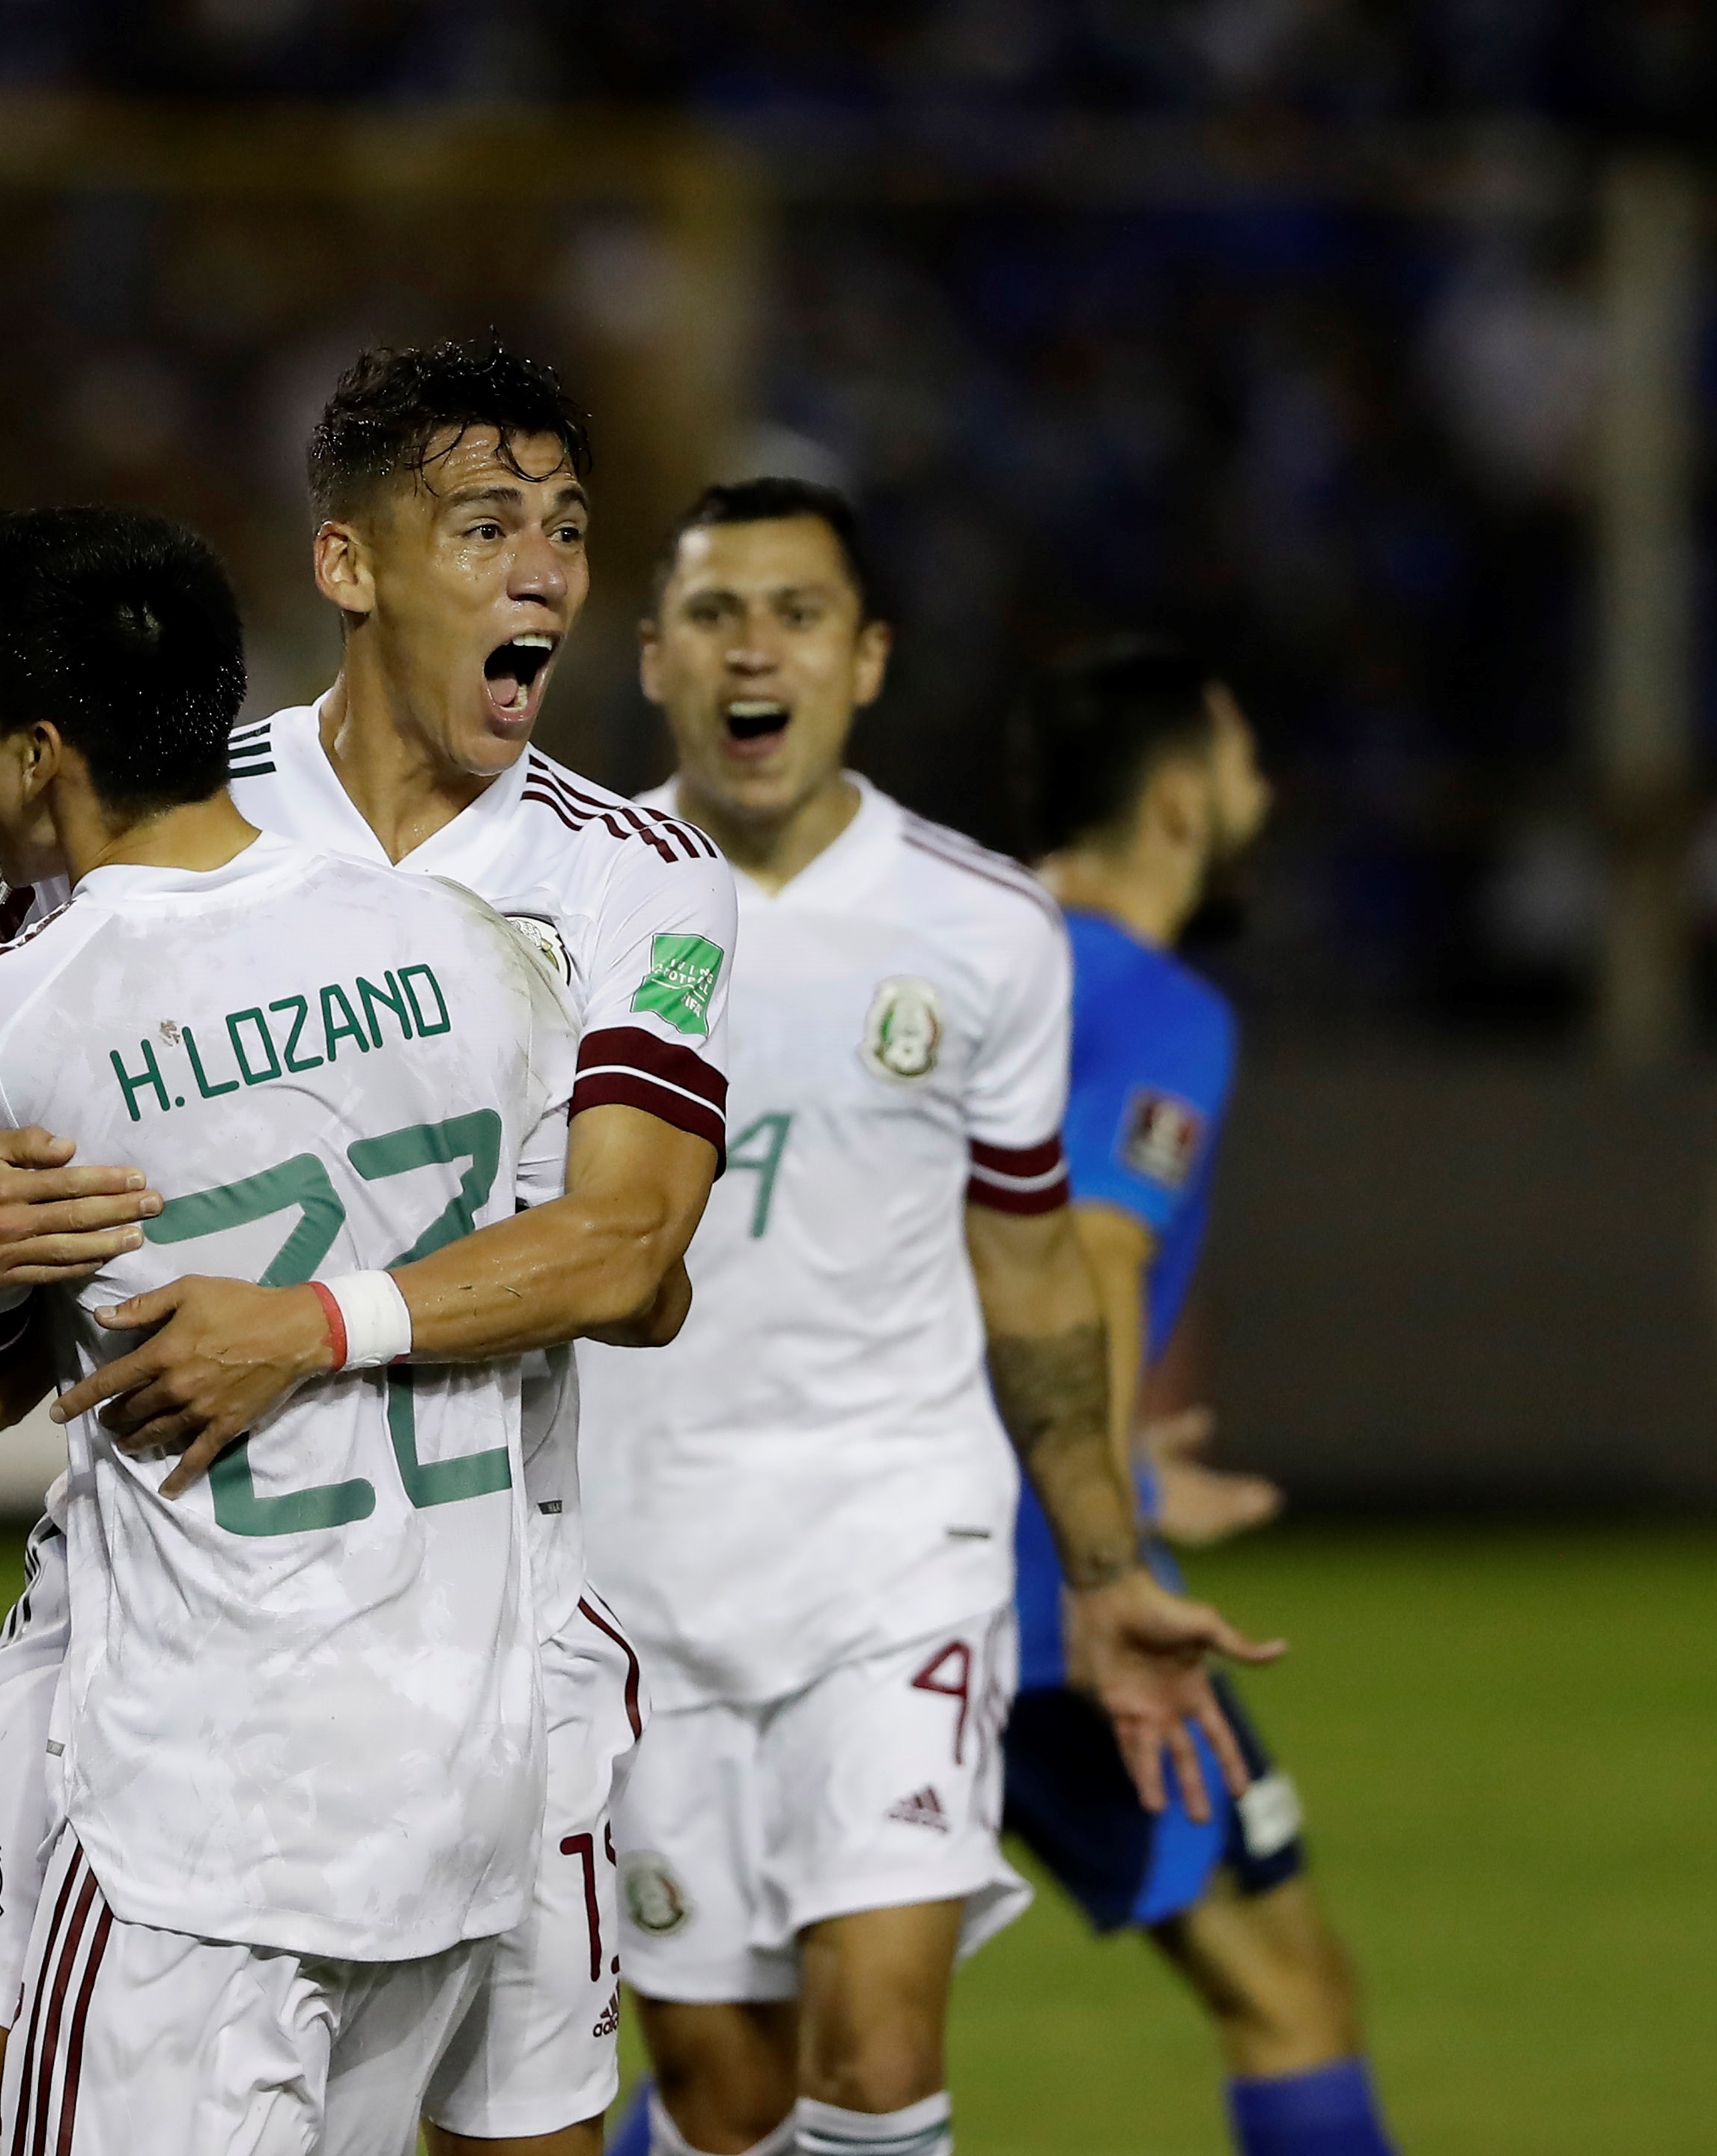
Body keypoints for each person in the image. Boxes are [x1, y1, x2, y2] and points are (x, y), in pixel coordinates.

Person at [0, 341, 735, 2156]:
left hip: (495, 1626)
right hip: (142, 1629)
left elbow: (636, 1257)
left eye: (566, 529)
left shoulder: (638, 875)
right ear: (350, 566)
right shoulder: (163, 793)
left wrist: (311, 1325)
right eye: (487, 525)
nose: (544, 571)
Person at [582, 483, 1282, 2156]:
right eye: (716, 613)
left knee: (881, 2061)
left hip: (895, 1562)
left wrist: (1107, 1574)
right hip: (632, 1584)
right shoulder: (557, 909)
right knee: (721, 2098)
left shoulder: (983, 931)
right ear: (658, 657)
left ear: (868, 660)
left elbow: (1039, 1268)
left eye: (800, 614)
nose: (758, 647)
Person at [0, 502, 584, 2148]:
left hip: (204, 1817)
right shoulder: (471, 953)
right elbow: (582, 1266)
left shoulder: (18, 1006)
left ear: (43, 752)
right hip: (454, 1788)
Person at [1009, 639, 1400, 2156]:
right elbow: (1092, 1260)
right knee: (1291, 1994)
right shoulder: (1162, 1009)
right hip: (1048, 1609)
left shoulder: (952, 954)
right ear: (1179, 805)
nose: (1264, 792)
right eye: (1241, 766)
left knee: (773, 2058)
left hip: (858, 1574)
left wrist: (1133, 1474)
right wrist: (1113, 1549)